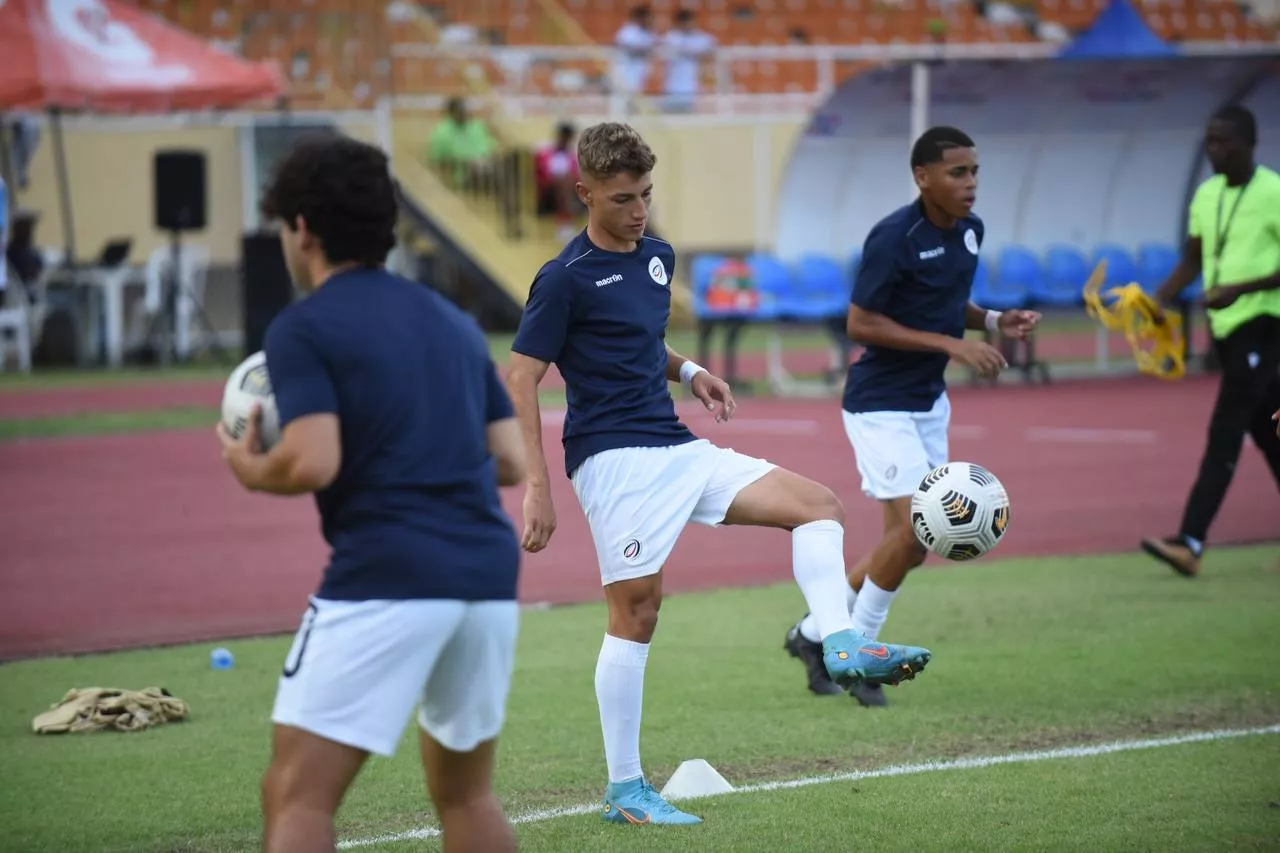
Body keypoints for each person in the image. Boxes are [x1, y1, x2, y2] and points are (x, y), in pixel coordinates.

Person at [504, 121, 934, 827]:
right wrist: (538, 486)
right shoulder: (563, 279)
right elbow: (521, 377)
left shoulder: (657, 256)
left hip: (676, 444)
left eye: (645, 194)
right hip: (611, 459)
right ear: (583, 192)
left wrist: (692, 369)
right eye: (621, 198)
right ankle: (625, 790)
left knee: (817, 505)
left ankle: (840, 642)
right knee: (638, 610)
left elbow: (641, 338)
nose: (638, 210)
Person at [215, 135, 525, 853]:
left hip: (386, 574)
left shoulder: (302, 327)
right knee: (468, 794)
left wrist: (249, 466)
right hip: (486, 576)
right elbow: (509, 460)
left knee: (295, 794)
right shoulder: (450, 321)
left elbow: (312, 460)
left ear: (302, 229)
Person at [784, 126, 1041, 707]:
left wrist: (997, 321)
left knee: (909, 542)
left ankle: (812, 634)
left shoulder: (971, 233)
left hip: (928, 405)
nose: (970, 183)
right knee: (912, 536)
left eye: (974, 171)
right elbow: (862, 323)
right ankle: (861, 655)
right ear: (923, 177)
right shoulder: (894, 237)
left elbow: (950, 307)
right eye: (957, 173)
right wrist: (953, 347)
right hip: (879, 405)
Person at [1141, 105, 1280, 577]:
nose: (1216, 150)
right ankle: (1192, 540)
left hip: (1264, 325)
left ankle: (1191, 540)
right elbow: (1193, 259)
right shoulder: (1205, 195)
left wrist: (1239, 290)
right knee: (1267, 432)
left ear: (1250, 143)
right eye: (1211, 141)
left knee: (1226, 430)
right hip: (1225, 331)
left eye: (1226, 142)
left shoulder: (1274, 193)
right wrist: (1156, 300)